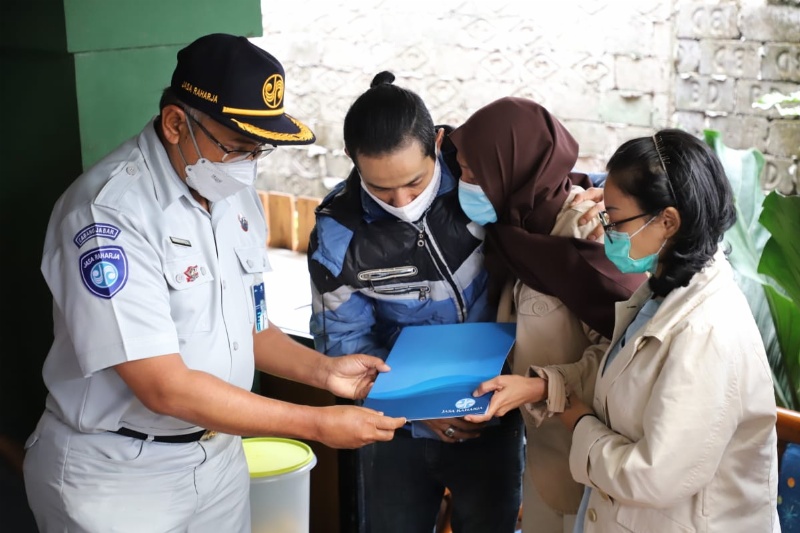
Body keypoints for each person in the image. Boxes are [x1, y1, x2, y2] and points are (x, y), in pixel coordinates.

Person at [22, 34, 406, 533]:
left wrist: (324, 372)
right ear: (177, 123)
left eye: (259, 151)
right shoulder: (108, 215)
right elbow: (164, 386)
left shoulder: (229, 194)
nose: (248, 165)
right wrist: (315, 423)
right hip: (121, 474)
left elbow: (250, 328)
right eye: (238, 148)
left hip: (219, 456)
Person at [476, 128, 780, 531]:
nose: (608, 232)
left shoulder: (708, 333)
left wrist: (576, 419)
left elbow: (651, 476)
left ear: (668, 221)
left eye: (616, 220)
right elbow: (620, 368)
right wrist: (545, 386)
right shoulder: (663, 291)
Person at [307, 72, 525, 533]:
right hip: (396, 426)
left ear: (438, 144)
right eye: (381, 190)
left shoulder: (480, 186)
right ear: (352, 159)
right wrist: (422, 412)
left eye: (414, 181)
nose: (401, 201)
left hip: (495, 410)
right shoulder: (338, 232)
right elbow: (345, 344)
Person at [448, 96, 644, 533]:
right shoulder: (513, 232)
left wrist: (540, 386)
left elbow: (627, 363)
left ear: (512, 171)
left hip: (600, 466)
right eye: (462, 168)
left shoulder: (595, 237)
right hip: (545, 458)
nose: (464, 182)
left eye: (474, 173)